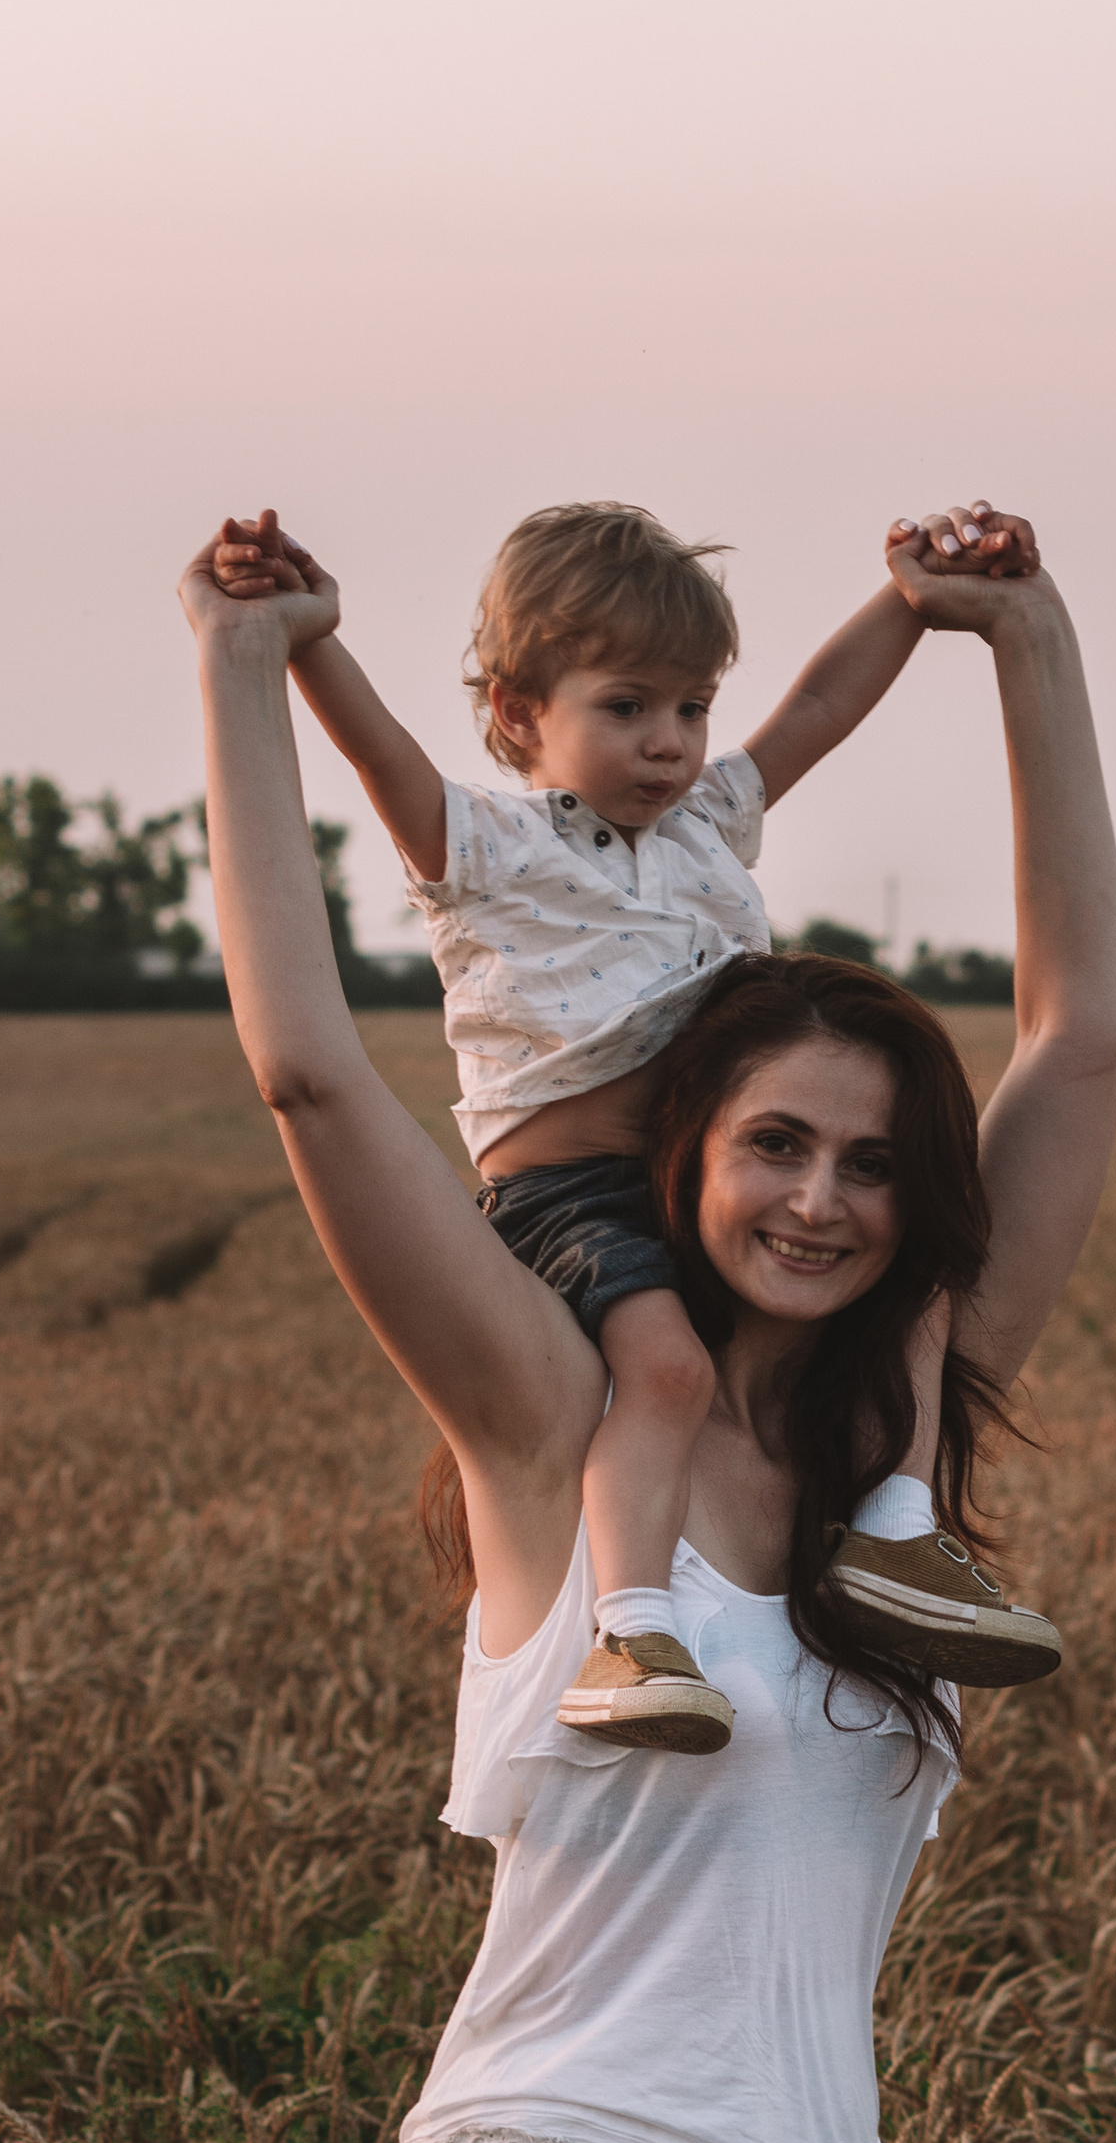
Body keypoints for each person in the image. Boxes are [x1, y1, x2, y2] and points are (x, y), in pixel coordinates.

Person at [175, 498, 1116, 2143]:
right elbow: (311, 1069)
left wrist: (1021, 638)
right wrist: (242, 670)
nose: (821, 1198)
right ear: (681, 1154)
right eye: (773, 1144)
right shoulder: (551, 1423)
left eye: (871, 1162)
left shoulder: (898, 1471)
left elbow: (1084, 1039)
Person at [208, 498, 1061, 1755]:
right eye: (626, 707)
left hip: (688, 1181)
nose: (668, 743)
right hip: (570, 1196)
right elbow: (376, 753)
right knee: (666, 1374)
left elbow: (820, 706)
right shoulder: (483, 840)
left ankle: (894, 1533)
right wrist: (300, 637)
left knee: (919, 1279)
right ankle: (631, 1632)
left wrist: (909, 599)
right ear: (517, 713)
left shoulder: (708, 820)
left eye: (691, 707)